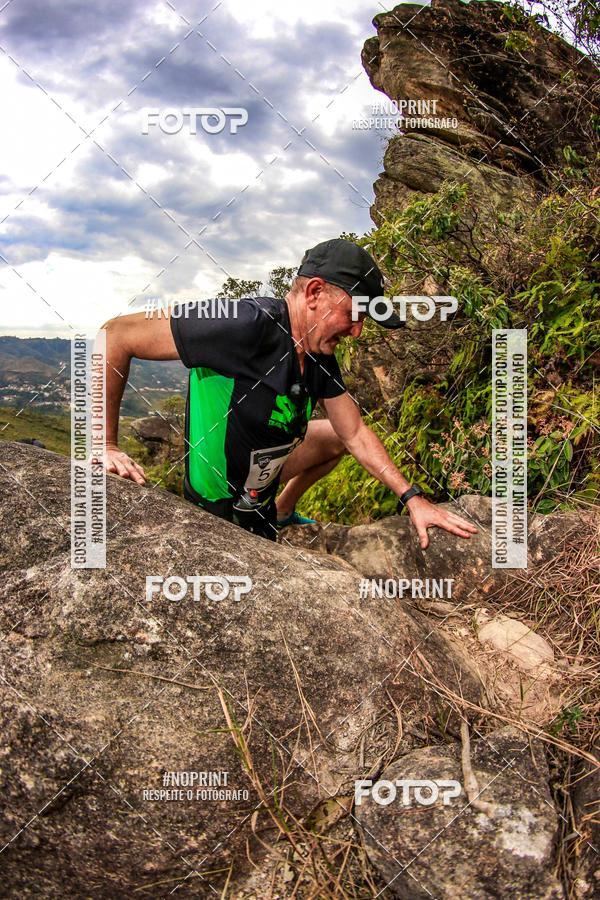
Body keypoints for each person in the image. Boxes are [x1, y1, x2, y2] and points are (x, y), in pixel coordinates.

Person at [102, 238, 477, 546]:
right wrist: (106, 444)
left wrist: (413, 499)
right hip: (217, 507)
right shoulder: (244, 324)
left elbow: (354, 433)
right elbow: (116, 334)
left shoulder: (318, 354)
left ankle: (282, 510)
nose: (358, 331)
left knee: (334, 436)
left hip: (261, 488)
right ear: (315, 292)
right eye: (355, 315)